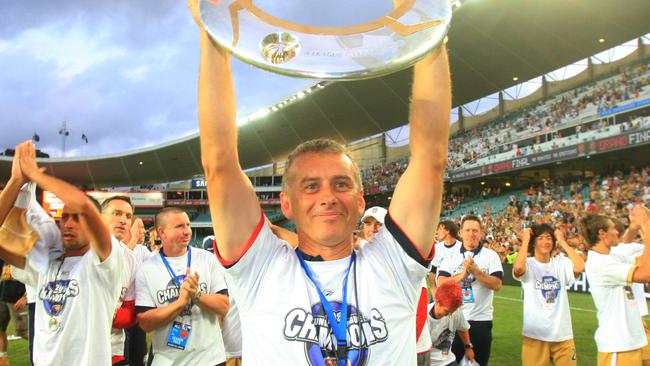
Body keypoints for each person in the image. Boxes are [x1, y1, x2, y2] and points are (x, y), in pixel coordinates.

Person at [190, 0, 451, 361]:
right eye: (310, 186)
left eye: (341, 184)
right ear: (286, 204)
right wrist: (214, 32)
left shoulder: (393, 264)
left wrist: (429, 30)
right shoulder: (261, 267)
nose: (327, 196)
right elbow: (219, 163)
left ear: (360, 200)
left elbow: (430, 159)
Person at [4, 141, 124, 365]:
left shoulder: (106, 260)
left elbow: (84, 206)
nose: (68, 224)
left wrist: (35, 174)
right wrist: (15, 181)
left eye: (76, 218)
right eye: (64, 217)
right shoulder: (45, 262)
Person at [135, 207, 229, 365]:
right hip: (169, 361)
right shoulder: (146, 269)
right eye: (179, 226)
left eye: (188, 225)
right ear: (162, 232)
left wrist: (196, 295)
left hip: (210, 359)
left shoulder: (207, 259)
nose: (187, 231)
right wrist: (180, 303)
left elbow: (224, 306)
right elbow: (145, 322)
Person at [582, 210, 650, 366]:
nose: (617, 231)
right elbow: (646, 274)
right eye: (613, 228)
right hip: (618, 345)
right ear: (602, 233)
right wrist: (646, 227)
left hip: (633, 339)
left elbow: (642, 261)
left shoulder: (612, 257)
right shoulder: (600, 263)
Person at [513, 224, 584, 366]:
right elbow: (518, 268)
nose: (545, 241)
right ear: (534, 243)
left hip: (562, 334)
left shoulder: (561, 263)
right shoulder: (529, 264)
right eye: (540, 238)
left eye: (549, 238)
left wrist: (562, 241)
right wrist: (525, 241)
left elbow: (580, 266)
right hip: (535, 335)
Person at [438, 214, 503, 366]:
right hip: (453, 320)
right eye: (467, 230)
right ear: (460, 233)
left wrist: (476, 271)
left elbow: (497, 284)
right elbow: (441, 283)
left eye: (475, 231)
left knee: (478, 362)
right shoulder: (451, 255)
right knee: (449, 362)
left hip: (481, 321)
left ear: (481, 233)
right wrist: (462, 274)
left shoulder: (491, 256)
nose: (471, 234)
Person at [609, 209, 650, 366]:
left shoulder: (626, 248)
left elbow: (626, 243)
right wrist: (643, 223)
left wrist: (635, 227)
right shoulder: (609, 253)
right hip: (622, 325)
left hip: (638, 321)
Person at [427, 281, 474, 366]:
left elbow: (463, 328)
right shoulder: (423, 318)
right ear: (437, 302)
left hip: (449, 361)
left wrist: (468, 347)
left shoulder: (455, 311)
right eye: (446, 311)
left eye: (453, 311)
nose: (450, 315)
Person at [429, 220, 462, 290]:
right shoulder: (437, 248)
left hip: (456, 289)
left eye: (440, 229)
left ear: (447, 231)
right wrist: (434, 292)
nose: (437, 232)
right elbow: (432, 272)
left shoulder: (462, 248)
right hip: (439, 290)